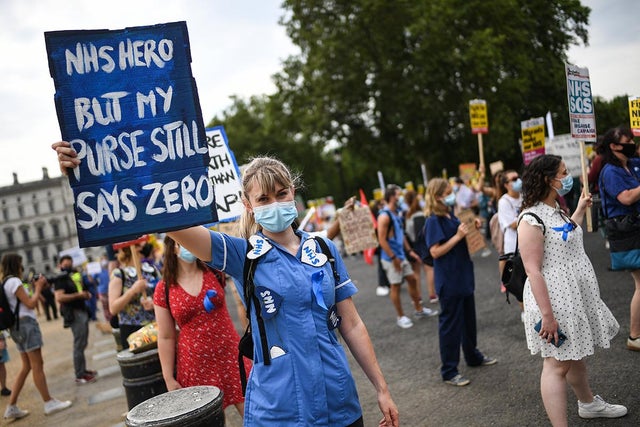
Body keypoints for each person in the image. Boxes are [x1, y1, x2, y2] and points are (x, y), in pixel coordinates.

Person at [53, 142, 399, 427]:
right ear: (248, 205)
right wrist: (95, 173)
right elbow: (161, 216)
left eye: (281, 193)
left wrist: (381, 389)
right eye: (263, 199)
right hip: (279, 411)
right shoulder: (241, 254)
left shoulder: (323, 249)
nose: (275, 203)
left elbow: (351, 324)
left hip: (339, 402)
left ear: (293, 192)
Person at [518, 154, 626, 424]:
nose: (568, 178)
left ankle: (588, 404)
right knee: (556, 365)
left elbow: (563, 239)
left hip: (572, 298)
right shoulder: (530, 218)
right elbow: (533, 270)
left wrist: (578, 209)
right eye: (563, 173)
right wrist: (548, 317)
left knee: (573, 355)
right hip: (553, 303)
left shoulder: (556, 210)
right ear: (548, 179)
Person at [154, 236, 249, 417]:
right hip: (195, 365)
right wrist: (168, 377)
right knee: (209, 420)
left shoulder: (215, 270)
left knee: (255, 414)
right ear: (173, 248)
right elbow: (166, 336)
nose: (189, 246)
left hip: (230, 356)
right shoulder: (163, 288)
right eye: (182, 242)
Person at [424, 178, 496, 387]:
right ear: (438, 196)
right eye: (448, 191)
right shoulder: (433, 220)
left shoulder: (450, 214)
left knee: (468, 320)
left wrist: (473, 226)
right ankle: (449, 370)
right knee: (450, 325)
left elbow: (463, 234)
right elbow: (435, 251)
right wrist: (457, 236)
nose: (452, 193)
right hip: (449, 278)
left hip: (462, 274)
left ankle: (473, 356)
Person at [1, 254, 72, 420]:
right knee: (37, 364)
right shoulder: (15, 282)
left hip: (17, 327)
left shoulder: (5, 283)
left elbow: (25, 301)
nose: (22, 267)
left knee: (26, 367)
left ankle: (11, 406)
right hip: (26, 325)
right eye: (20, 264)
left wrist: (34, 288)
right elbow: (31, 304)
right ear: (16, 264)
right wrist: (39, 287)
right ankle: (48, 402)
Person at [597, 126, 640, 351]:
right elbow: (626, 198)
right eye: (627, 141)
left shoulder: (632, 164)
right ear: (614, 146)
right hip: (627, 230)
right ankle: (634, 336)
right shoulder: (610, 172)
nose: (631, 144)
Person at [378, 184, 438, 329]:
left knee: (412, 279)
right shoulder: (384, 216)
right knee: (396, 286)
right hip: (391, 258)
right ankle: (401, 317)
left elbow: (401, 234)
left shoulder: (396, 213)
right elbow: (381, 239)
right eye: (398, 195)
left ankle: (419, 309)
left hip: (400, 256)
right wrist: (393, 258)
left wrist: (410, 251)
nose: (400, 198)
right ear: (392, 197)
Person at [53, 255, 97, 385]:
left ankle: (83, 370)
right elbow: (59, 297)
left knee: (82, 342)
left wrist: (84, 293)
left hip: (81, 310)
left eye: (69, 264)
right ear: (60, 265)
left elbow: (81, 289)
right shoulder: (60, 278)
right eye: (65, 264)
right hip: (73, 313)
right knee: (79, 344)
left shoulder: (74, 275)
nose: (68, 266)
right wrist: (78, 295)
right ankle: (79, 374)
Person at [108, 243, 160, 349]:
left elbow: (165, 293)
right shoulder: (119, 274)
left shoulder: (151, 270)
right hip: (132, 330)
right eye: (138, 246)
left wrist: (154, 303)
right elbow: (113, 308)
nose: (142, 248)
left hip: (156, 325)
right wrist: (133, 291)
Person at [404, 190, 437, 303]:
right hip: (426, 243)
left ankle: (418, 297)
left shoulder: (408, 216)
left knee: (416, 272)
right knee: (429, 270)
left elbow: (409, 232)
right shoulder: (424, 213)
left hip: (415, 245)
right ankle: (432, 294)